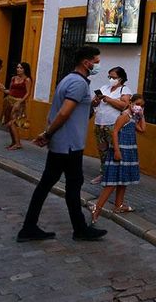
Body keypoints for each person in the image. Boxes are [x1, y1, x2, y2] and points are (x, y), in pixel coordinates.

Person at [17, 45, 106, 242]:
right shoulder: (79, 84)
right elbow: (65, 112)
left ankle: (32, 227)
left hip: (64, 143)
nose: (98, 66)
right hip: (69, 145)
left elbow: (74, 112)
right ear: (86, 62)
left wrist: (90, 106)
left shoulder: (69, 79)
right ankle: (78, 229)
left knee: (56, 185)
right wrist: (47, 134)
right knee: (70, 186)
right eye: (96, 62)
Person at [90, 94, 147, 222]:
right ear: (131, 103)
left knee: (123, 180)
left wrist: (141, 115)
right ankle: (97, 207)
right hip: (120, 149)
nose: (139, 107)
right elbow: (114, 131)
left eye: (142, 106)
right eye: (137, 104)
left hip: (129, 150)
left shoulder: (133, 117)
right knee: (112, 182)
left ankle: (119, 205)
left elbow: (142, 129)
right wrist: (116, 150)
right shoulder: (124, 116)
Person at [90, 67, 132, 185]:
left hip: (113, 125)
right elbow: (93, 102)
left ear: (121, 78)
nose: (111, 79)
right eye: (109, 77)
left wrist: (107, 99)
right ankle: (103, 173)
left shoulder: (124, 90)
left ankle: (114, 174)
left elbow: (124, 105)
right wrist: (96, 101)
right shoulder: (104, 88)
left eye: (113, 77)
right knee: (102, 150)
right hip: (100, 123)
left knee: (114, 150)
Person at [0, 61, 33, 150]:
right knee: (9, 122)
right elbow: (10, 91)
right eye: (18, 67)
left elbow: (28, 93)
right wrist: (1, 89)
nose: (18, 69)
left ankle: (18, 143)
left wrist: (20, 102)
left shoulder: (27, 80)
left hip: (18, 102)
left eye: (21, 68)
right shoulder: (13, 78)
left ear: (25, 70)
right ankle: (13, 142)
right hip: (9, 101)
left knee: (13, 122)